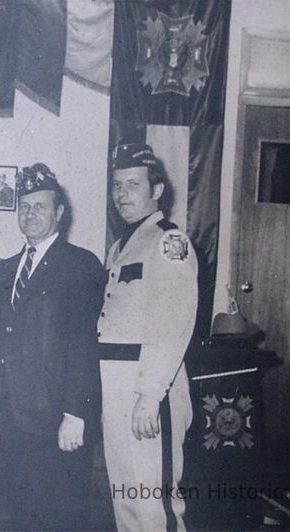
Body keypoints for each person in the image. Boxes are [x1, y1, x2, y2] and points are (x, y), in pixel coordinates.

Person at [0, 163, 105, 530]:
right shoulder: (6, 270)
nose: (30, 213)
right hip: (13, 417)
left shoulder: (80, 265)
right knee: (21, 511)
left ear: (59, 212)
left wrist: (76, 413)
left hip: (58, 419)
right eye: (24, 206)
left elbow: (85, 345)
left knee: (62, 515)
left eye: (40, 206)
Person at [97, 143, 198, 531]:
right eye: (117, 185)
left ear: (156, 191)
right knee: (126, 498)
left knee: (154, 502)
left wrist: (151, 395)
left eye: (133, 185)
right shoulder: (122, 245)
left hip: (150, 388)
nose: (122, 194)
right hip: (117, 387)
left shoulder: (169, 242)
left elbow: (173, 324)